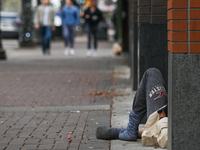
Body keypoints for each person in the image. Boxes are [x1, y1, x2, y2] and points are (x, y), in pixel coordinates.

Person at [96, 68, 168, 148]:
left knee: (152, 73)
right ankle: (135, 131)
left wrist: (161, 117)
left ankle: (131, 129)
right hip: (172, 125)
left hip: (168, 127)